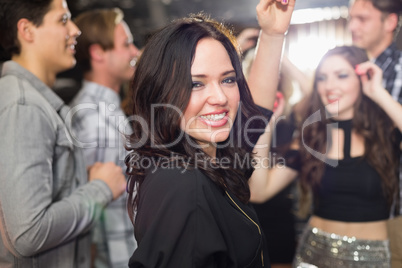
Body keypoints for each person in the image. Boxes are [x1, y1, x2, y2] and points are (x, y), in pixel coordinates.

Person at [124, 0, 295, 266]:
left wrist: (273, 33)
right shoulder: (184, 185)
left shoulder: (207, 157)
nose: (219, 97)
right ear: (160, 93)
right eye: (195, 84)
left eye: (228, 79)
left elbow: (255, 112)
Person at [249, 45, 402, 267]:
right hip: (313, 256)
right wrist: (265, 129)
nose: (329, 86)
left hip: (372, 258)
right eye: (322, 78)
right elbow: (259, 191)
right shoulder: (312, 138)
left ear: (362, 79)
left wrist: (378, 92)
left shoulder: (386, 133)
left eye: (341, 76)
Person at [0, 0, 126, 267]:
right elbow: (29, 234)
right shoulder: (25, 107)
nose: (74, 30)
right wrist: (101, 188)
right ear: (27, 31)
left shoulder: (33, 101)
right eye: (63, 19)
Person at [69, 8, 140, 268]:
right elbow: (85, 207)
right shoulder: (91, 118)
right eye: (126, 44)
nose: (135, 51)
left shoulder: (107, 109)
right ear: (98, 52)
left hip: (124, 252)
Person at [348, 1, 402, 266]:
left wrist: (380, 96)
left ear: (390, 22)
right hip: (358, 207)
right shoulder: (354, 71)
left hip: (395, 213)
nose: (352, 26)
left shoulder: (400, 68)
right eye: (351, 19)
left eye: (362, 19)